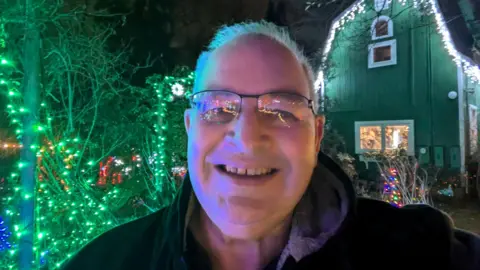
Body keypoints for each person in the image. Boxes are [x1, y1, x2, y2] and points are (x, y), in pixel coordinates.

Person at [61, 21, 480, 270]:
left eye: (281, 109)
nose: (246, 136)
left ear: (315, 137)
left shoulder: (414, 253)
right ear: (190, 128)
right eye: (218, 107)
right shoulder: (107, 262)